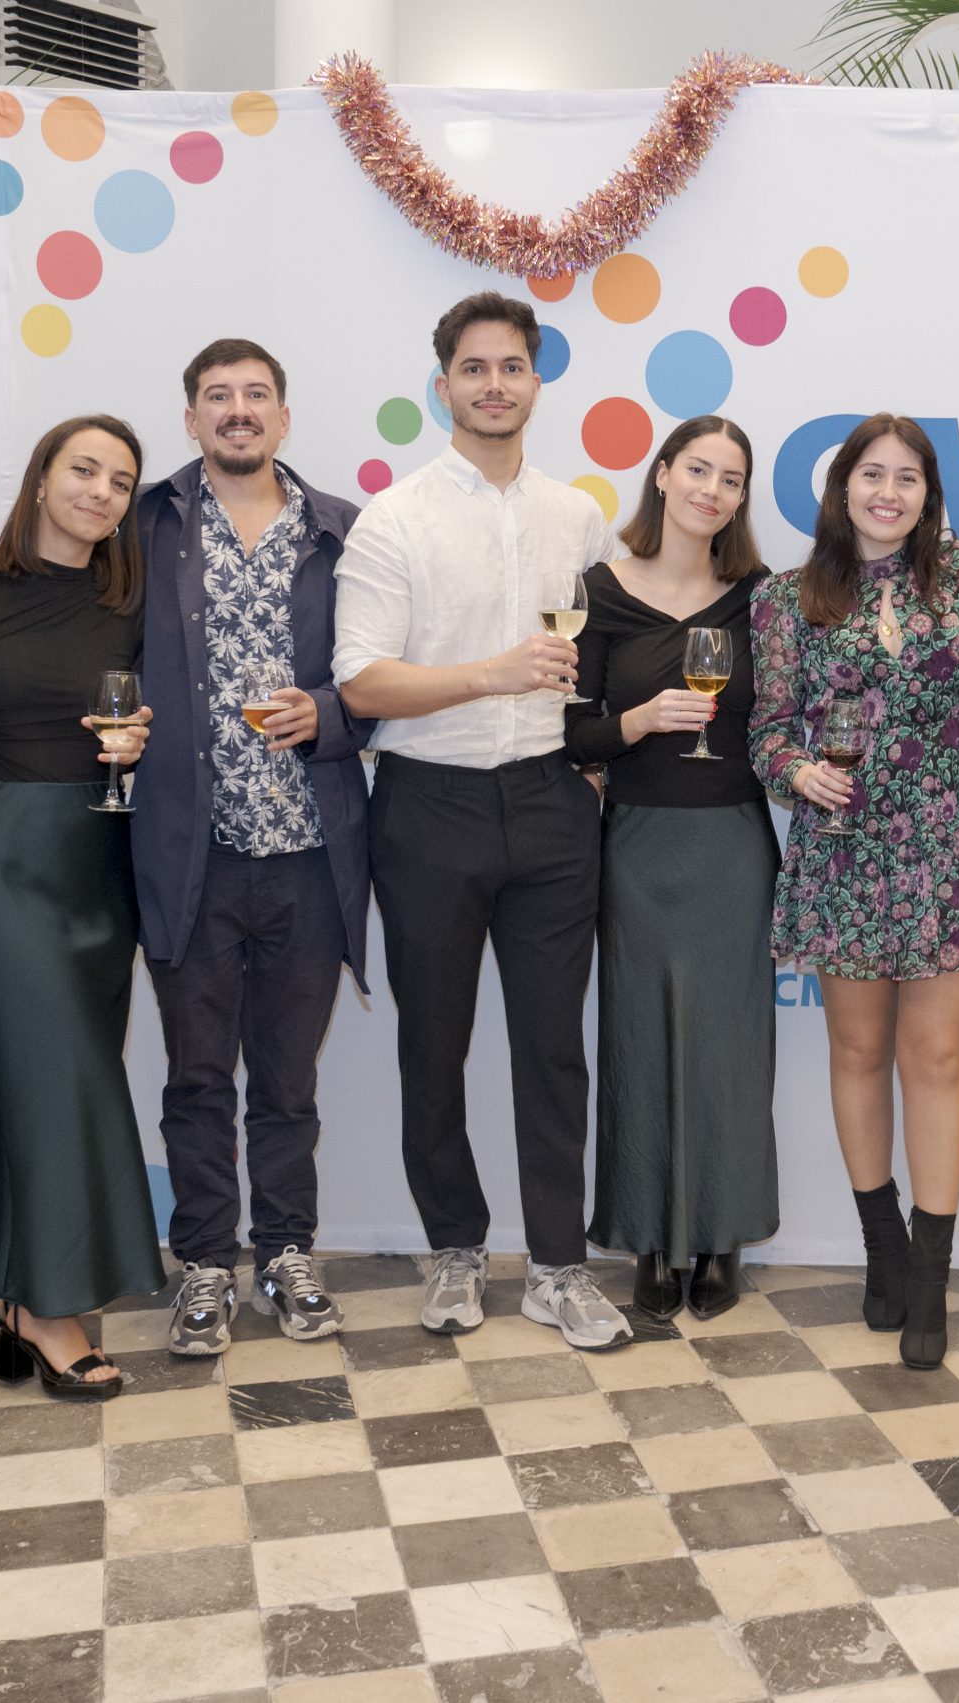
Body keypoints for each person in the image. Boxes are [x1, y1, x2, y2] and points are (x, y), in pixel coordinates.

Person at [335, 292, 634, 1352]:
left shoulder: (578, 516)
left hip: (553, 804)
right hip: (429, 806)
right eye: (474, 368)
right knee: (434, 1047)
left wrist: (585, 770)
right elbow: (364, 685)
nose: (494, 384)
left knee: (556, 1049)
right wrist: (489, 676)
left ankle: (557, 1264)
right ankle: (455, 1246)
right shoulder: (395, 517)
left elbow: (592, 666)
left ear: (537, 381)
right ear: (443, 384)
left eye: (512, 366)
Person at [749, 413, 959, 1371]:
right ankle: (883, 1248)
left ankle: (931, 1282)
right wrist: (796, 770)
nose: (889, 492)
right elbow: (768, 729)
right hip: (844, 849)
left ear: (929, 494)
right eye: (872, 474)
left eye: (908, 478)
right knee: (858, 1049)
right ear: (842, 488)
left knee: (937, 1056)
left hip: (958, 845)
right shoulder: (788, 598)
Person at [132, 339, 372, 1355]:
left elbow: (381, 683)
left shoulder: (342, 533)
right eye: (216, 397)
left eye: (255, 395)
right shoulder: (143, 526)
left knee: (286, 1079)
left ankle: (286, 1252)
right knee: (195, 1075)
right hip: (190, 851)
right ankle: (201, 1264)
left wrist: (322, 713)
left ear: (282, 415)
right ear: (190, 419)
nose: (237, 411)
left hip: (309, 853)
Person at [0, 415, 163, 1401]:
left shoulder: (131, 603)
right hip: (5, 859)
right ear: (38, 476)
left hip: (100, 857)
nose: (102, 491)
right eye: (85, 468)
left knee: (44, 1082)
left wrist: (141, 736)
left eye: (120, 480)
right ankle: (56, 1307)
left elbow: (163, 711)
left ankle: (18, 1302)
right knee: (61, 1072)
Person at [567, 415, 778, 1321]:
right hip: (638, 842)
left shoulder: (761, 597)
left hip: (732, 840)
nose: (712, 490)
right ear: (661, 474)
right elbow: (568, 729)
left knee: (732, 1044)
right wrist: (637, 724)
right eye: (699, 469)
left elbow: (784, 720)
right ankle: (649, 1236)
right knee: (638, 1037)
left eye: (731, 479)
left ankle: (722, 1236)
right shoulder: (599, 590)